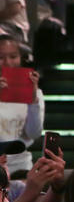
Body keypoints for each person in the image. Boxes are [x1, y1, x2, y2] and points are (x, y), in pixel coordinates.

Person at [0, 37, 43, 175]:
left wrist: (33, 101)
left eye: (13, 56)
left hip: (21, 165)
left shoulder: (35, 93)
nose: (7, 62)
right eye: (0, 57)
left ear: (21, 58)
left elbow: (34, 133)